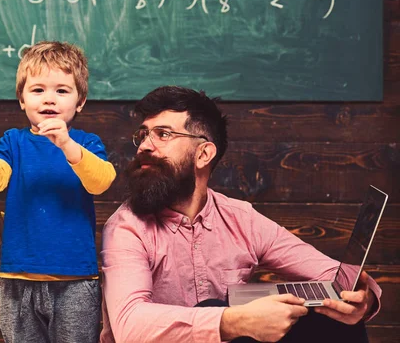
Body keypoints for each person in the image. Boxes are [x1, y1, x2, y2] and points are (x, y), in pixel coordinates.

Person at [100, 86, 382, 343]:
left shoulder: (241, 218)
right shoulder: (127, 226)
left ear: (203, 154)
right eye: (143, 135)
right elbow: (129, 326)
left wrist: (362, 298)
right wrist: (235, 321)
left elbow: (330, 273)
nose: (144, 146)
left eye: (163, 134)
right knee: (219, 311)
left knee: (336, 320)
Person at [0, 41, 116, 343]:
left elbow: (101, 181)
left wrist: (66, 145)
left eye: (62, 91)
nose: (49, 99)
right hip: (17, 277)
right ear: (22, 100)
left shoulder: (87, 143)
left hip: (75, 278)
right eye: (38, 90)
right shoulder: (13, 141)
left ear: (80, 101)